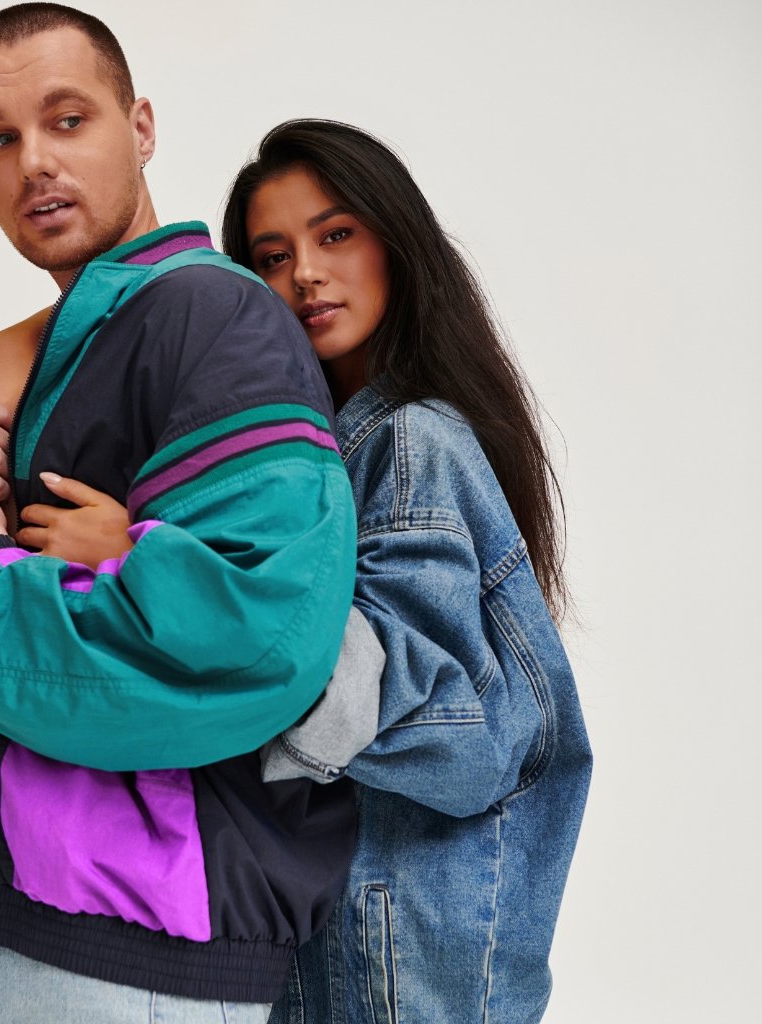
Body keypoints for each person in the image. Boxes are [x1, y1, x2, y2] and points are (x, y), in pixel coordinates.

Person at [0, 7, 361, 1021]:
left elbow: (262, 635)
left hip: (129, 948)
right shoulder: (63, 342)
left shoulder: (211, 317)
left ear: (139, 127)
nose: (34, 164)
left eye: (67, 119)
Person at [220, 120, 594, 1024]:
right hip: (347, 942)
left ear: (397, 241)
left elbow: (457, 735)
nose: (304, 273)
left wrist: (163, 584)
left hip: (400, 957)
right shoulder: (334, 457)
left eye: (335, 234)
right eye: (272, 257)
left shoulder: (411, 439)